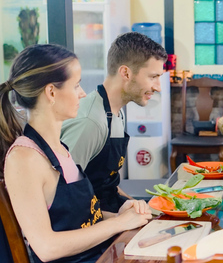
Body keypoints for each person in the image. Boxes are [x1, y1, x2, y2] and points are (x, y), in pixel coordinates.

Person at [1, 44, 152, 263]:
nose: (82, 94)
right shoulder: (24, 158)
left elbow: (81, 220)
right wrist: (118, 224)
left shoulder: (60, 147)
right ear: (51, 92)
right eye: (76, 85)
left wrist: (122, 215)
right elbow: (46, 247)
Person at [61, 32, 167, 212]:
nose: (158, 87)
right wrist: (118, 223)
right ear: (125, 72)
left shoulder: (117, 112)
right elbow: (64, 196)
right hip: (88, 223)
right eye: (152, 77)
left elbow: (105, 182)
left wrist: (143, 209)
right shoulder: (90, 122)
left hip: (109, 209)